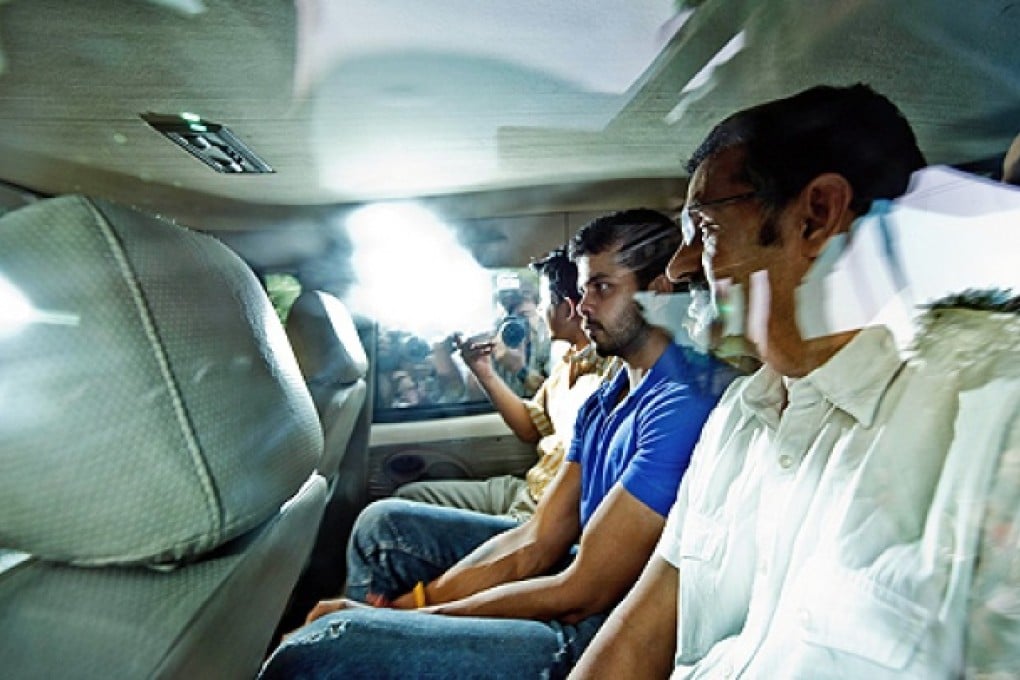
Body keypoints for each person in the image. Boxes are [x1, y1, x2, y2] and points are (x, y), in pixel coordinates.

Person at [571, 84, 1020, 679]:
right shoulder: (737, 415)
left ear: (816, 216)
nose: (679, 270)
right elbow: (635, 642)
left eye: (704, 230)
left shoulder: (992, 419)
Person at [259, 209, 739, 679]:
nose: (583, 305)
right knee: (386, 526)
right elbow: (535, 539)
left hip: (602, 630)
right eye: (583, 286)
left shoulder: (682, 405)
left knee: (323, 651)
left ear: (657, 292)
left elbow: (583, 592)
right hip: (576, 578)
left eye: (602, 287)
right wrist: (417, 606)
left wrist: (404, 619)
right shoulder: (611, 394)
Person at [395, 247, 621, 520]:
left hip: (544, 510)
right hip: (529, 488)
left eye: (543, 301)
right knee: (408, 498)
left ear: (568, 309)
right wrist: (483, 370)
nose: (539, 310)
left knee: (388, 522)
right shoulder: (568, 363)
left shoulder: (613, 372)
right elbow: (531, 427)